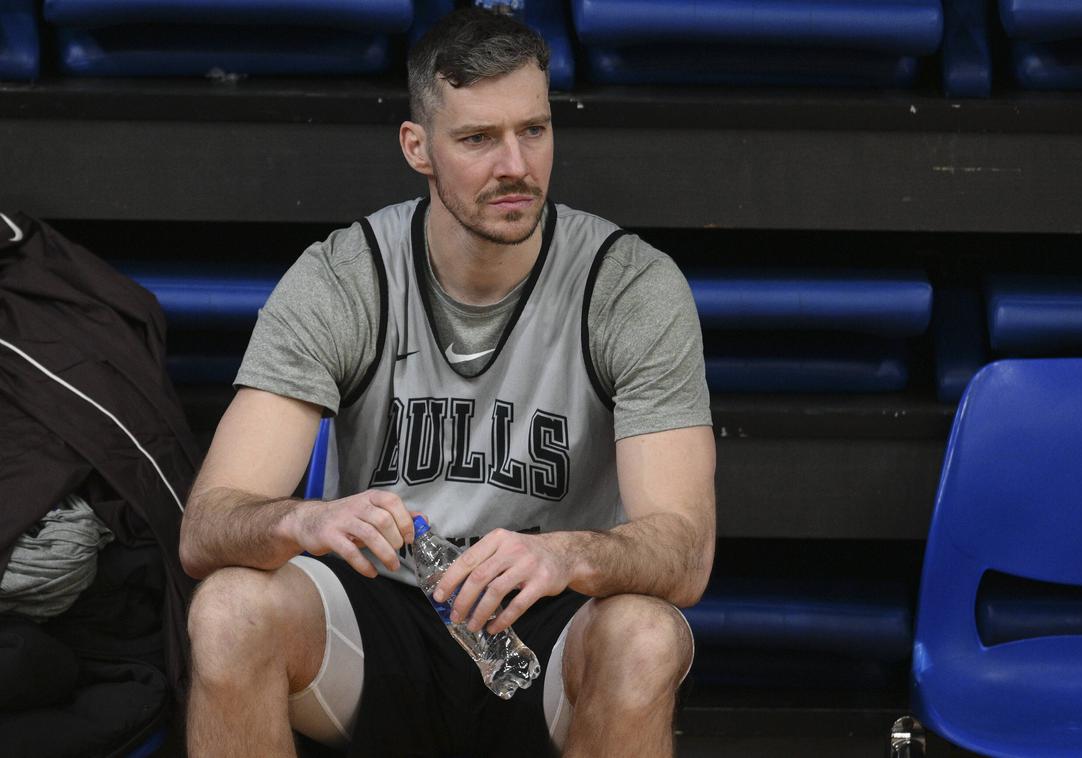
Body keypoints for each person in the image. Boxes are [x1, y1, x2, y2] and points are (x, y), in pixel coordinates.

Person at [180, 8, 715, 757]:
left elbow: (685, 553)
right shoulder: (346, 277)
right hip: (383, 621)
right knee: (230, 609)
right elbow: (208, 526)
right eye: (477, 138)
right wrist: (300, 522)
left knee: (647, 634)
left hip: (551, 621)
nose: (515, 166)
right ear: (418, 147)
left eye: (533, 130)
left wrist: (568, 554)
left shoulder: (628, 286)